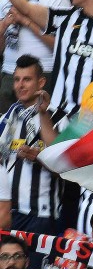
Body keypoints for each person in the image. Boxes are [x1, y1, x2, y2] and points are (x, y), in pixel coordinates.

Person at [0, 0, 70, 112]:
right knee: (5, 127)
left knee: (39, 127)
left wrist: (27, 21)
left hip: (43, 73)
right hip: (9, 73)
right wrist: (4, 25)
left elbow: (62, 45)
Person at [0, 57, 60, 235]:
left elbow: (65, 168)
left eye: (27, 79)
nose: (20, 85)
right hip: (7, 213)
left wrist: (39, 158)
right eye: (17, 79)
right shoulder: (5, 120)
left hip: (41, 214)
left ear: (41, 82)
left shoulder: (58, 118)